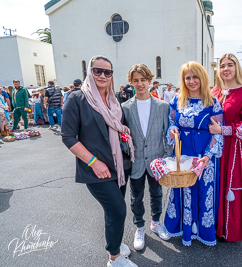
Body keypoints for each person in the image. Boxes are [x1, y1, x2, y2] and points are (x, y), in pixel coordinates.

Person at [61, 55, 137, 267]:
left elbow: (117, 127)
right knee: (118, 210)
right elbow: (68, 137)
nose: (103, 75)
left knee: (113, 210)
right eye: (97, 70)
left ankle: (116, 242)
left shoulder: (115, 100)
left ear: (112, 75)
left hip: (120, 166)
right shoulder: (77, 99)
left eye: (108, 72)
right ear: (89, 72)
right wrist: (93, 161)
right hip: (97, 170)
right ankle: (114, 258)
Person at [165, 61, 224, 246]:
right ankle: (184, 227)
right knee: (182, 188)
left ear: (202, 77)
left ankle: (203, 228)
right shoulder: (177, 99)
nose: (191, 81)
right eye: (187, 77)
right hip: (183, 154)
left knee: (204, 190)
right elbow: (171, 122)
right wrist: (172, 130)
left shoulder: (213, 102)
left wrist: (207, 156)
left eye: (195, 77)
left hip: (205, 155)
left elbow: (218, 130)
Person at [122, 64, 173, 251]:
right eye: (135, 80)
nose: (140, 83)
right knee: (136, 197)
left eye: (143, 80)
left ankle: (156, 222)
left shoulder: (162, 106)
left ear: (149, 81)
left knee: (156, 194)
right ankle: (140, 227)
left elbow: (168, 132)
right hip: (135, 161)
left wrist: (166, 156)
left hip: (156, 160)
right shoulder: (125, 108)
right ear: (131, 82)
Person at [209, 53, 242, 243]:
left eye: (230, 65)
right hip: (213, 148)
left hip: (234, 149)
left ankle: (230, 230)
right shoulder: (215, 92)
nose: (226, 69)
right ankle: (211, 226)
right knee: (214, 185)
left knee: (230, 185)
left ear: (237, 68)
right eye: (222, 66)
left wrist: (222, 130)